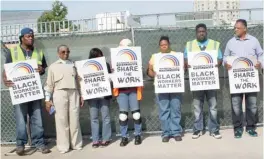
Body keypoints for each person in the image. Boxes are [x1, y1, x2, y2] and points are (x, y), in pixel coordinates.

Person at [2, 28, 51, 155]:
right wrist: (5, 80)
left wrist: (41, 69)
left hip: (33, 91)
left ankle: (39, 143)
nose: (31, 38)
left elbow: (43, 68)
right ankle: (20, 144)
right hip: (20, 92)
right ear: (22, 38)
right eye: (28, 36)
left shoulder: (39, 52)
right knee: (20, 120)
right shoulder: (13, 52)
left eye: (32, 36)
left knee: (37, 118)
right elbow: (6, 69)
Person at [223, 19, 263, 138]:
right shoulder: (230, 42)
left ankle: (250, 127)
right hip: (236, 79)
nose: (235, 30)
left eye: (238, 28)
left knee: (252, 104)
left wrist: (260, 63)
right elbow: (225, 57)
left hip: (250, 79)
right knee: (236, 104)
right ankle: (238, 128)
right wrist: (226, 63)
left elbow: (261, 55)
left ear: (245, 28)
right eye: (235, 28)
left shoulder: (254, 41)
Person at [184, 23, 222, 139]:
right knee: (197, 107)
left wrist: (216, 64)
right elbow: (185, 59)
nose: (201, 33)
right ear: (196, 33)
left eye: (203, 31)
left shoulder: (214, 44)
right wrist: (187, 64)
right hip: (197, 81)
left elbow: (220, 59)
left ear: (206, 32)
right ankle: (197, 129)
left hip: (210, 80)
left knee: (213, 106)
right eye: (199, 31)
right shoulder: (189, 45)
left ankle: (214, 130)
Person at [44, 45, 84, 153]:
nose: (65, 54)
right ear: (58, 53)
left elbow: (79, 82)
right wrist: (47, 100)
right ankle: (63, 146)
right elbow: (49, 85)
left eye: (67, 52)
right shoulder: (53, 67)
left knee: (74, 119)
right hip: (59, 93)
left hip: (74, 93)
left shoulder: (74, 65)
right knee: (61, 120)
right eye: (63, 52)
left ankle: (76, 144)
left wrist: (81, 95)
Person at [147, 36, 183, 142]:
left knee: (175, 109)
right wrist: (154, 73)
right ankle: (165, 133)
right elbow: (149, 72)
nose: (164, 46)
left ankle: (176, 132)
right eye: (162, 45)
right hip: (162, 87)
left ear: (169, 44)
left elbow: (182, 69)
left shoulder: (176, 55)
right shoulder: (155, 57)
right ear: (159, 46)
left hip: (175, 86)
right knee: (164, 110)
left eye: (165, 44)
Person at [112, 38, 143, 147]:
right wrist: (113, 71)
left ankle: (138, 135)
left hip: (133, 89)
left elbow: (140, 73)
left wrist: (139, 69)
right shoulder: (115, 60)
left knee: (136, 114)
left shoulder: (135, 59)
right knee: (123, 116)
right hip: (121, 91)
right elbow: (113, 75)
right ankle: (124, 137)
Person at [86, 48, 112, 148]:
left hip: (104, 95)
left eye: (101, 55)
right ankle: (95, 140)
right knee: (94, 118)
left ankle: (106, 138)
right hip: (92, 96)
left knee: (106, 117)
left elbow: (110, 79)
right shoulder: (87, 66)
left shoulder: (106, 65)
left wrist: (111, 75)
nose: (100, 57)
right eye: (97, 55)